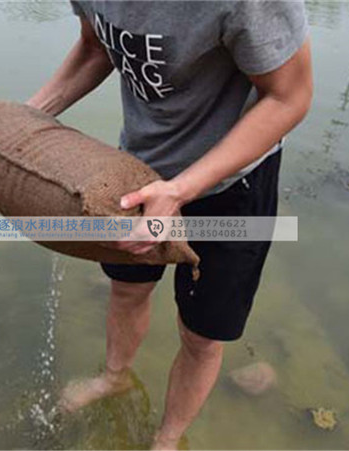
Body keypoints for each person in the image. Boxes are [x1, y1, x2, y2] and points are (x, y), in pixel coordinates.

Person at [26, 1, 313, 449]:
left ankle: (167, 438)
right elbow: (94, 47)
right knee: (126, 287)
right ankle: (115, 378)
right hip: (138, 168)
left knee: (201, 332)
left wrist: (179, 191)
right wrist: (28, 119)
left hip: (232, 183)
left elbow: (290, 96)